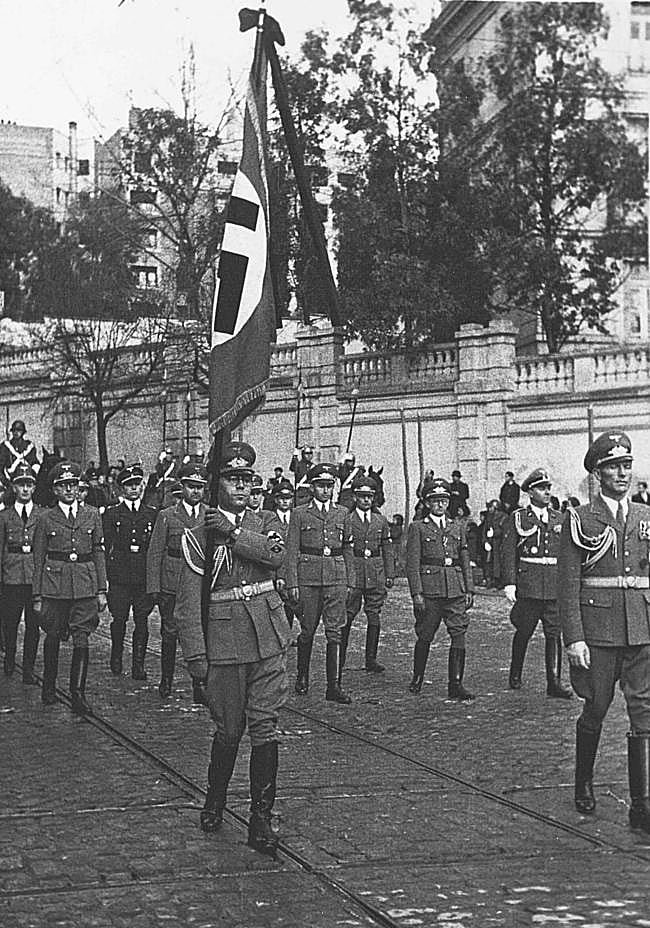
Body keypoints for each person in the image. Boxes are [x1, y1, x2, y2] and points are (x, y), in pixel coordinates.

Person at [174, 441, 289, 857]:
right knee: (229, 730)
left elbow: (275, 555)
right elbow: (187, 605)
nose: (241, 487)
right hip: (223, 643)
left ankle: (261, 819)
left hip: (269, 636)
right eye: (232, 479)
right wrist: (196, 659)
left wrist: (235, 533)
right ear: (215, 483)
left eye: (247, 479)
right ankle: (215, 798)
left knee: (266, 726)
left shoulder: (266, 520)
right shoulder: (197, 535)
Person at [559, 430, 650, 834]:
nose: (622, 473)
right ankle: (583, 782)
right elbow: (567, 583)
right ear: (598, 473)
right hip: (597, 633)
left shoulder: (646, 517)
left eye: (626, 465)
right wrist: (573, 638)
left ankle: (641, 805)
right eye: (613, 466)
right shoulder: (581, 518)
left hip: (641, 628)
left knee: (643, 713)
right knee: (596, 707)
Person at [32, 461, 107, 715]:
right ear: (55, 490)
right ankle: (49, 685)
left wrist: (101, 589)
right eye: (63, 486)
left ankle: (78, 694)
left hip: (85, 583)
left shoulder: (92, 514)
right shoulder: (45, 518)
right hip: (55, 585)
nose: (69, 490)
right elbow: (38, 558)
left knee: (82, 635)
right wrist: (37, 595)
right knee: (53, 633)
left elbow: (98, 552)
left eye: (73, 485)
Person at [285, 462, 353, 704]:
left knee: (335, 632)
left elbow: (347, 549)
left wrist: (350, 582)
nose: (326, 490)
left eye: (329, 486)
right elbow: (291, 550)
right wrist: (292, 583)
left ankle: (333, 686)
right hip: (309, 579)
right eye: (321, 486)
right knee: (307, 630)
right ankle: (302, 677)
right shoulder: (299, 513)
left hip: (336, 577)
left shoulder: (342, 513)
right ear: (312, 487)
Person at [501, 468, 572, 698]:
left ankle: (554, 683)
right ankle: (515, 673)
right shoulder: (519, 517)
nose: (547, 492)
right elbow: (508, 552)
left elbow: (567, 555)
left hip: (553, 587)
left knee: (554, 634)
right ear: (531, 492)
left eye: (549, 488)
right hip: (529, 586)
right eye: (542, 489)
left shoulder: (560, 518)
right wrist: (510, 583)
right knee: (524, 631)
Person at [406, 477, 474, 699]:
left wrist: (470, 589)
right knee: (425, 634)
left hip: (455, 588)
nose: (440, 505)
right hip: (430, 590)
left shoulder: (458, 526)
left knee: (459, 633)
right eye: (435, 501)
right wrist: (416, 593)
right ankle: (417, 677)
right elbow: (412, 563)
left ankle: (456, 684)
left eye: (443, 501)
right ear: (427, 503)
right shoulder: (418, 527)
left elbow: (464, 558)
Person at [146, 461, 208, 700]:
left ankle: (199, 684)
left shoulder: (209, 514)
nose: (195, 492)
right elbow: (155, 553)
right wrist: (154, 587)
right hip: (172, 584)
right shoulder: (167, 515)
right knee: (170, 632)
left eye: (200, 487)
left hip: (201, 585)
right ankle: (167, 680)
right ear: (182, 487)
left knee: (199, 634)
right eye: (191, 486)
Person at [102, 464, 157, 681]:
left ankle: (138, 665)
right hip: (120, 577)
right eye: (129, 485)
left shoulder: (151, 513)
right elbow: (106, 547)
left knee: (142, 621)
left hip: (143, 576)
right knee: (119, 619)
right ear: (120, 489)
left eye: (137, 484)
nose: (134, 489)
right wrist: (107, 576)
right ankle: (117, 656)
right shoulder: (111, 513)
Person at [341, 474, 394, 675]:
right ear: (355, 497)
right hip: (353, 572)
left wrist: (390, 573)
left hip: (375, 572)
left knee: (374, 614)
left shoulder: (380, 521)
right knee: (347, 614)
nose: (366, 501)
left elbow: (387, 548)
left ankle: (371, 658)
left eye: (369, 497)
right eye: (362, 496)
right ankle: (341, 656)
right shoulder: (347, 519)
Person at [0, 464, 42, 682]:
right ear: (14, 488)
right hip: (11, 577)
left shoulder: (42, 515)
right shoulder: (4, 516)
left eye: (29, 484)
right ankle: (9, 658)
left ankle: (28, 669)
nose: (25, 489)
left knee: (34, 626)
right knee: (10, 622)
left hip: (35, 578)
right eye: (20, 485)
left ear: (34, 487)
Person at [271, 479, 297, 629]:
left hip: (292, 569)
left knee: (291, 605)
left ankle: (288, 634)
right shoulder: (269, 519)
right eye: (282, 498)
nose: (285, 502)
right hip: (275, 569)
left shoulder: (297, 518)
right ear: (276, 500)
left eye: (288, 498)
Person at [0, 420, 40, 485]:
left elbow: (34, 463)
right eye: (14, 430)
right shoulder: (5, 446)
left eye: (19, 430)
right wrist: (5, 482)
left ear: (23, 432)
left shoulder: (29, 446)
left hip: (26, 478)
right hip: (9, 479)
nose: (16, 432)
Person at [480, 499, 506, 587]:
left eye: (491, 507)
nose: (489, 509)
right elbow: (484, 531)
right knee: (488, 562)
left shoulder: (504, 517)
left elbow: (505, 531)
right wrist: (485, 542)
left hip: (499, 544)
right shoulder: (489, 517)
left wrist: (494, 533)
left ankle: (499, 582)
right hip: (490, 544)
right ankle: (489, 580)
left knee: (498, 563)